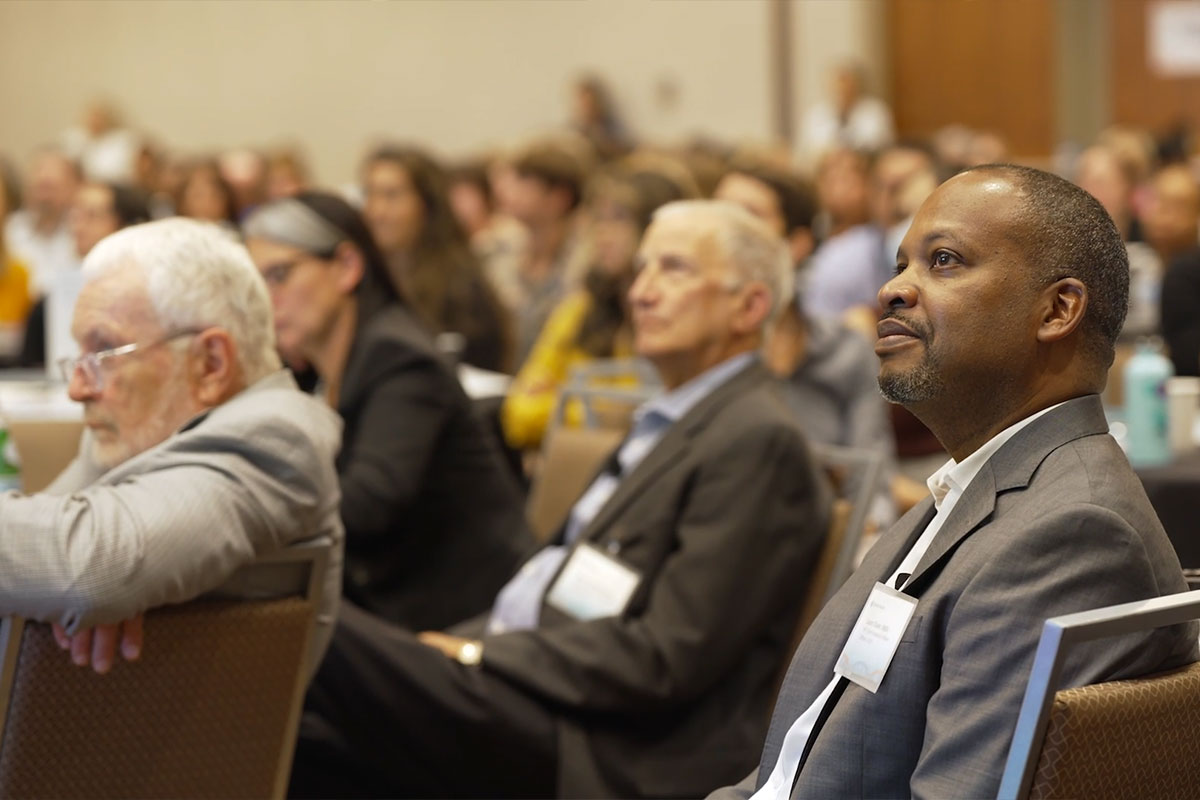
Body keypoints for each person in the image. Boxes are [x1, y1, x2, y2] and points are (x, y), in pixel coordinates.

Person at [289, 200, 832, 799]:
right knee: (298, 736)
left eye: (673, 270)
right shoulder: (676, 420)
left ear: (750, 306)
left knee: (303, 627)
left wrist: (477, 654)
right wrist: (449, 652)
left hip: (601, 739)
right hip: (531, 683)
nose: (642, 293)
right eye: (642, 269)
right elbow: (549, 588)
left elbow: (666, 657)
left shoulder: (755, 438)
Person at [711, 165, 1198, 800]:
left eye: (943, 261)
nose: (891, 291)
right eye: (899, 264)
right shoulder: (974, 487)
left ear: (1057, 310)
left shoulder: (1073, 534)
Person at [11, 217, 344, 675]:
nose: (78, 389)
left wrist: (74, 576)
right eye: (79, 357)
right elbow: (40, 567)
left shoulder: (274, 439)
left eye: (103, 353)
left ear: (211, 363)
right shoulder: (133, 432)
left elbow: (86, 568)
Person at [242, 193, 531, 631]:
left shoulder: (397, 356)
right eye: (254, 284)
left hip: (468, 613)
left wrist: (243, 516)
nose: (266, 301)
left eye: (279, 275)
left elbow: (368, 503)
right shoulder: (314, 371)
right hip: (392, 597)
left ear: (347, 267)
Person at [501, 160, 696, 450]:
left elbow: (646, 413)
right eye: (599, 219)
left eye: (619, 219)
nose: (603, 233)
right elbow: (518, 416)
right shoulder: (579, 309)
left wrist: (567, 397)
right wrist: (598, 406)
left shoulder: (679, 316)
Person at [363, 145, 513, 372]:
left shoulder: (462, 288)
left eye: (391, 196)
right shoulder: (364, 278)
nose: (377, 211)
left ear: (427, 204)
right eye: (370, 194)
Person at [20, 181, 151, 368]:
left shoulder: (148, 296)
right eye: (75, 215)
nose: (77, 226)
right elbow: (30, 365)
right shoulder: (52, 298)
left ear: (125, 225)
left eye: (92, 216)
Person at [3, 147, 80, 297]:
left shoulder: (80, 232)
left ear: (73, 188)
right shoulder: (10, 229)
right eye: (40, 188)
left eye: (51, 188)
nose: (44, 198)